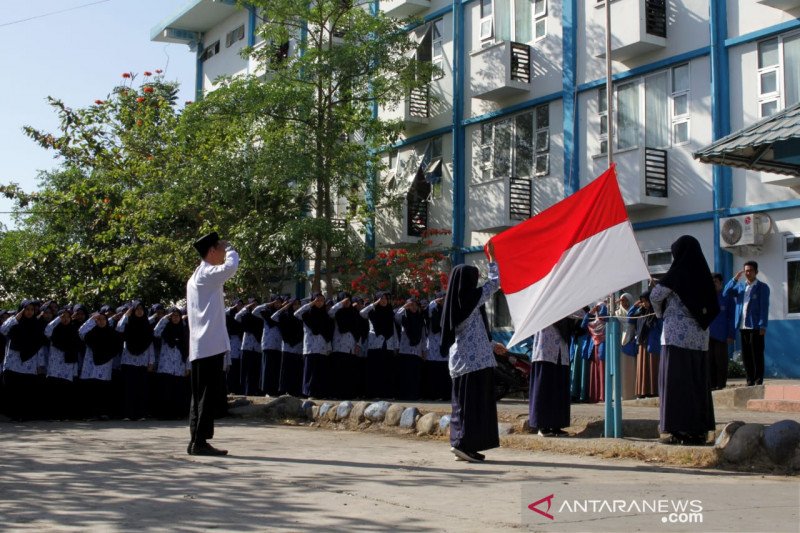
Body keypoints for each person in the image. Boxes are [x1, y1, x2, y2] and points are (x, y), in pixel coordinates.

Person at [650, 235, 719, 445]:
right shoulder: (705, 275)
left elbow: (655, 296)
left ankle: (678, 430)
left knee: (676, 385)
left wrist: (660, 314)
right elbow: (713, 306)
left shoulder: (676, 273)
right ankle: (698, 431)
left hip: (676, 337)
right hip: (699, 339)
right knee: (697, 385)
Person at [441, 242, 500, 463]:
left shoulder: (453, 304)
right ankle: (467, 446)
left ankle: (459, 443)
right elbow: (495, 283)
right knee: (474, 407)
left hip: (459, 361)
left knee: (461, 406)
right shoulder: (471, 300)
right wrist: (492, 259)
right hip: (475, 364)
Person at [186, 231, 239, 456]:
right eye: (220, 249)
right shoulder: (207, 273)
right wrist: (232, 249)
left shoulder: (197, 275)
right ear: (212, 251)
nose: (223, 253)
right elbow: (230, 267)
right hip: (209, 344)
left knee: (200, 395)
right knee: (207, 395)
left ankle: (196, 440)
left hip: (202, 344)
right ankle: (200, 441)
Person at [723, 261, 770, 386]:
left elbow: (764, 307)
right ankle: (749, 380)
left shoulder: (762, 287)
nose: (748, 273)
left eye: (750, 270)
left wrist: (763, 325)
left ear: (756, 272)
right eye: (746, 271)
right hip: (743, 326)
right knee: (746, 355)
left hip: (756, 326)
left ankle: (758, 380)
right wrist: (734, 279)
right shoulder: (740, 287)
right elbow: (725, 292)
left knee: (757, 354)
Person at [1, 300, 46, 421]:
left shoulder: (36, 324)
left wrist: (39, 365)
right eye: (27, 309)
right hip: (13, 362)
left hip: (29, 363)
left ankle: (24, 415)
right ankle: (13, 415)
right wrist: (16, 317)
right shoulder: (14, 322)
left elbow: (39, 344)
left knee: (26, 390)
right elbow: (3, 329)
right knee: (13, 390)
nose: (29, 312)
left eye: (32, 310)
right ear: (21, 310)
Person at [529, 317, 573, 437]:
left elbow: (578, 313)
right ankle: (542, 425)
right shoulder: (542, 305)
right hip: (545, 351)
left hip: (561, 352)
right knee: (544, 389)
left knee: (559, 390)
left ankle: (556, 425)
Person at [115, 300, 155, 421]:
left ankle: (140, 414)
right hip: (128, 360)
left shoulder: (146, 325)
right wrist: (126, 315)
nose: (139, 312)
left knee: (141, 389)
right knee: (129, 389)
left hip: (142, 361)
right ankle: (128, 414)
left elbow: (149, 343)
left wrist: (151, 362)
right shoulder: (128, 323)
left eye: (141, 309)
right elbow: (119, 328)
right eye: (136, 309)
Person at [44, 307, 82, 420]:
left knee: (66, 391)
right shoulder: (54, 330)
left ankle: (65, 415)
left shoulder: (73, 329)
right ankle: (53, 415)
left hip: (68, 364)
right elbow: (47, 330)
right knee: (55, 391)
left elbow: (77, 345)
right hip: (55, 366)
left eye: (67, 317)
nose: (65, 319)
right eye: (62, 317)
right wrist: (57, 320)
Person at [153, 307, 190, 419]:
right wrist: (164, 319)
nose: (175, 318)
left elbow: (188, 350)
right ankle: (165, 414)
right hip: (166, 366)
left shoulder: (184, 331)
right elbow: (156, 332)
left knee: (177, 392)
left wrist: (187, 366)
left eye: (177, 316)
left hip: (179, 366)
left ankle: (178, 414)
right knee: (166, 391)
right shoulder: (165, 330)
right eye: (173, 316)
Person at [360, 292, 399, 399]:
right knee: (375, 370)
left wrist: (396, 345)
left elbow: (393, 328)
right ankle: (374, 394)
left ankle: (387, 394)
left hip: (388, 344)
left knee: (387, 370)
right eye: (381, 298)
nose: (383, 300)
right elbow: (362, 313)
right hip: (375, 344)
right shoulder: (372, 311)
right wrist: (374, 304)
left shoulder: (390, 311)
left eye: (385, 298)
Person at [295, 293, 333, 399]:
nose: (319, 302)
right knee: (310, 371)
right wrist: (311, 304)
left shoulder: (326, 316)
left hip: (323, 347)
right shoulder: (307, 314)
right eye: (317, 300)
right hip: (310, 347)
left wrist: (329, 347)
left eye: (322, 300)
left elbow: (329, 333)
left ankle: (321, 393)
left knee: (321, 371)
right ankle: (310, 393)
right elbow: (296, 314)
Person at [628, 292, 662, 398]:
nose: (644, 303)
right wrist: (634, 306)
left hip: (653, 344)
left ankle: (654, 391)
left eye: (645, 301)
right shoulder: (641, 312)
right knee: (643, 368)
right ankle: (643, 391)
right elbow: (629, 318)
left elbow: (661, 327)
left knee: (653, 367)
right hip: (642, 343)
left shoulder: (656, 312)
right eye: (642, 301)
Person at [328, 292, 360, 399]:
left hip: (351, 346)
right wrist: (341, 303)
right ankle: (337, 394)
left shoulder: (354, 313)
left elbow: (357, 330)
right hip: (339, 346)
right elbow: (330, 312)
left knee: (349, 372)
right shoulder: (337, 312)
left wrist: (357, 344)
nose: (347, 302)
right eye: (345, 300)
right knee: (338, 371)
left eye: (348, 300)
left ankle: (349, 394)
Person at [395, 297, 426, 401]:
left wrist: (423, 350)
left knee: (415, 375)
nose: (413, 307)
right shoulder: (404, 317)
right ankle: (404, 395)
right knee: (405, 374)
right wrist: (405, 306)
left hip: (417, 351)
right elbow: (396, 316)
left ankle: (414, 395)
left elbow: (423, 336)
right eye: (411, 305)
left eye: (415, 305)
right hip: (405, 350)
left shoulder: (420, 318)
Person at [253, 296, 285, 397]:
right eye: (275, 302)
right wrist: (268, 304)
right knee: (267, 368)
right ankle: (266, 390)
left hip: (279, 345)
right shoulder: (265, 312)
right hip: (268, 343)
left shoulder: (281, 314)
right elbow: (254, 311)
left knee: (276, 368)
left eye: (279, 302)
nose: (277, 304)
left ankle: (275, 390)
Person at [709, 273, 735, 389]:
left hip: (721, 335)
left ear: (721, 283)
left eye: (715, 281)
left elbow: (731, 318)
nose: (713, 284)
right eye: (711, 282)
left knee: (721, 361)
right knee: (710, 361)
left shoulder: (727, 298)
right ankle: (711, 384)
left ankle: (721, 384)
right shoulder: (707, 298)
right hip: (708, 335)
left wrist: (730, 334)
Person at [273, 298, 304, 396]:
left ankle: (296, 390)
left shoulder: (301, 316)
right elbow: (274, 317)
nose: (296, 306)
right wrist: (284, 307)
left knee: (297, 369)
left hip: (298, 345)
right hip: (287, 345)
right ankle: (284, 389)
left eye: (298, 304)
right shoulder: (285, 315)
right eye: (294, 304)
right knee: (286, 369)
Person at [423, 292, 451, 401]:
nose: (443, 302)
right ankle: (434, 395)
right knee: (434, 373)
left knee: (446, 372)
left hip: (446, 344)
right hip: (434, 345)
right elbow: (429, 309)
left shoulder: (448, 311)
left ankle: (446, 395)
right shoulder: (432, 310)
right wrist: (436, 301)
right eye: (442, 300)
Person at [235, 298, 264, 396]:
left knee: (255, 370)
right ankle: (245, 390)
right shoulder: (245, 315)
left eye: (256, 304)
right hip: (247, 346)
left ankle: (254, 390)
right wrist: (246, 307)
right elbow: (237, 317)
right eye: (252, 304)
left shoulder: (260, 316)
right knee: (246, 370)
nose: (254, 306)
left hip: (257, 346)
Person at [581, 301, 607, 403]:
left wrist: (602, 310)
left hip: (603, 349)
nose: (599, 311)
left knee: (603, 372)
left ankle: (604, 395)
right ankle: (596, 396)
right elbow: (583, 325)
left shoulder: (607, 321)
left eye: (600, 309)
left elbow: (604, 317)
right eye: (598, 309)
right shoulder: (593, 322)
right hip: (594, 349)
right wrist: (590, 313)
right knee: (595, 373)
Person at [617, 293, 638, 400]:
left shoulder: (635, 313)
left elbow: (632, 326)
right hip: (619, 345)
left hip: (632, 343)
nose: (624, 303)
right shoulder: (616, 314)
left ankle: (632, 393)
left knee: (632, 370)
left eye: (626, 301)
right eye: (622, 301)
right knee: (621, 370)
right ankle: (622, 394)